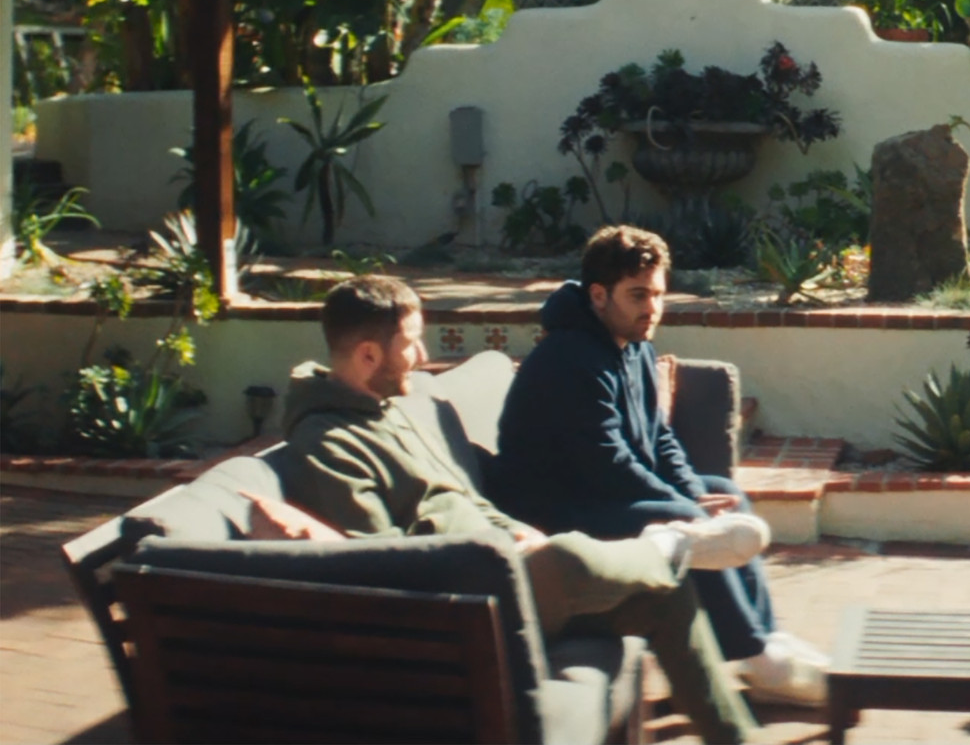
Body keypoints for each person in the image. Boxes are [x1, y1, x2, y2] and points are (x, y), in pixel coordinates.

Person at [282, 276, 762, 744]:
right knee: (568, 558)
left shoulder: (392, 412)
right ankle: (670, 543)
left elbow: (467, 499)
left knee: (667, 594)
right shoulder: (327, 445)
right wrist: (491, 555)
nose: (423, 357)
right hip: (467, 602)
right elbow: (380, 563)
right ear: (369, 355)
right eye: (411, 344)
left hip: (503, 568)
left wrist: (516, 532)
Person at [493, 225, 830, 707]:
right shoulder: (567, 358)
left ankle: (765, 635)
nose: (651, 307)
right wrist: (686, 506)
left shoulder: (633, 345)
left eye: (657, 294)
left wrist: (693, 490)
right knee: (690, 521)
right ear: (598, 295)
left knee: (725, 494)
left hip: (601, 493)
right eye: (638, 295)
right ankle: (756, 658)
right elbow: (608, 462)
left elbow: (659, 437)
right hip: (557, 511)